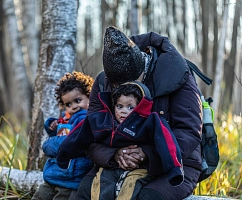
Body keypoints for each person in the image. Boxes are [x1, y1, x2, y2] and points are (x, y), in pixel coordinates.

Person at [71, 26, 202, 200]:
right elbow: (90, 133)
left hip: (175, 163)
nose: (124, 89)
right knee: (84, 194)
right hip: (116, 161)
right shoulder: (103, 82)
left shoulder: (177, 75)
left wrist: (145, 153)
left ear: (142, 70)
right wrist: (115, 155)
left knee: (148, 197)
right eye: (118, 88)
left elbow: (189, 132)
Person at [32, 71, 94, 200]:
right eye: (68, 104)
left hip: (71, 179)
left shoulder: (88, 120)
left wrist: (49, 144)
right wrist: (52, 127)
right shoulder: (67, 120)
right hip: (56, 175)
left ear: (89, 97)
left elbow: (70, 142)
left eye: (78, 100)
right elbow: (64, 136)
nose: (74, 107)